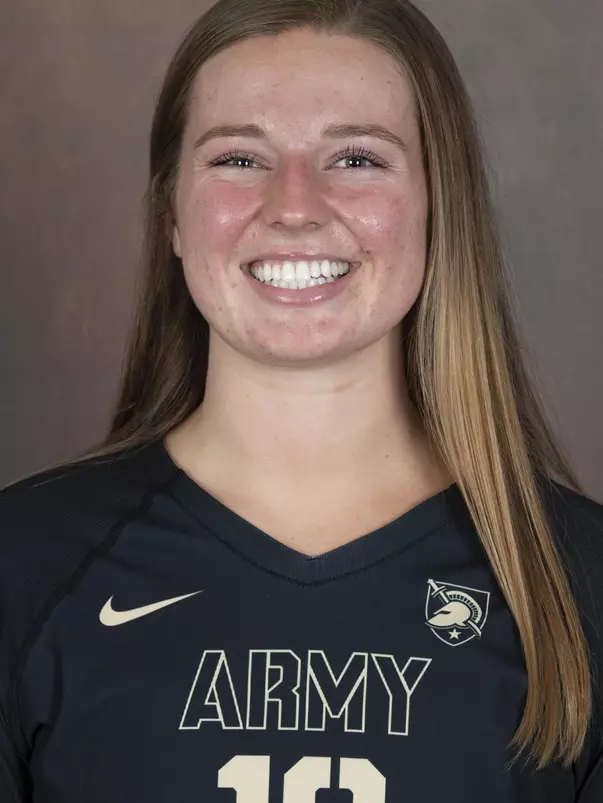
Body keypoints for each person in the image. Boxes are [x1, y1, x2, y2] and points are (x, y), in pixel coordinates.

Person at [0, 0, 602, 800]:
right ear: (171, 213)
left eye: (355, 158)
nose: (293, 205)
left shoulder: (577, 584)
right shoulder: (24, 565)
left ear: (438, 204)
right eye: (238, 160)